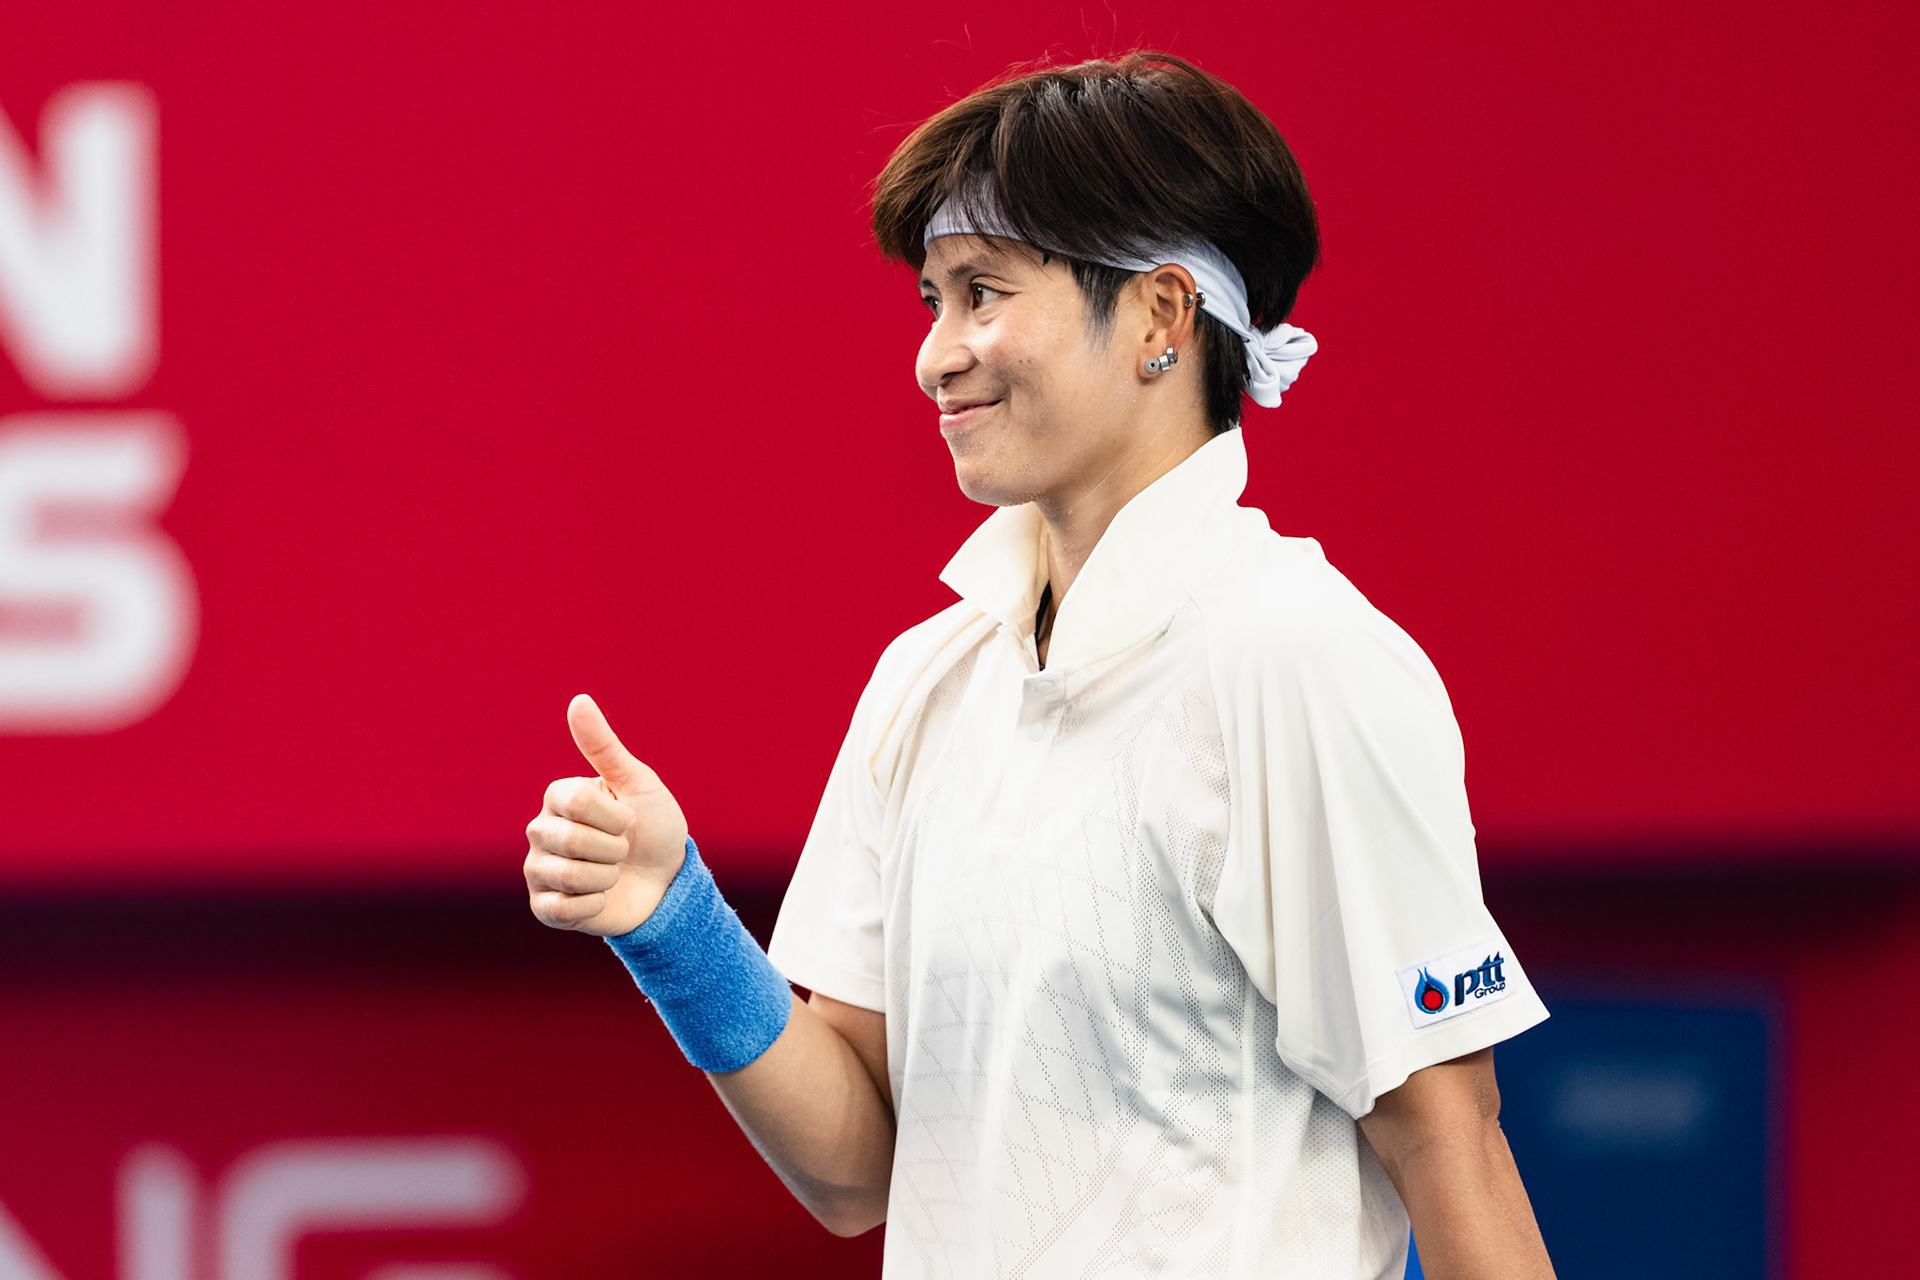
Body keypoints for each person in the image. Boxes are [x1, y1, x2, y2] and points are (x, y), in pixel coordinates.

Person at [524, 51, 1556, 1280]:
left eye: (985, 292)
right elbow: (857, 1170)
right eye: (932, 301)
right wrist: (674, 919)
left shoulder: (1299, 656)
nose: (936, 355)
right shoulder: (928, 677)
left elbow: (1451, 1143)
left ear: (1163, 318)